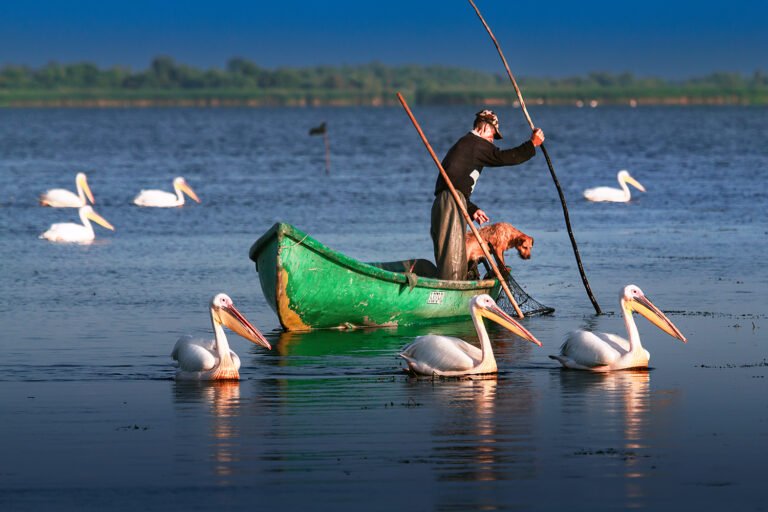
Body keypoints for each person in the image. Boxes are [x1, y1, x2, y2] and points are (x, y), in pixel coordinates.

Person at [431, 109, 545, 280]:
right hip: (451, 203)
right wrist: (531, 145)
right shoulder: (475, 143)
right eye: (493, 134)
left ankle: (452, 284)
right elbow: (503, 158)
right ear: (484, 127)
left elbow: (453, 183)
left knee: (449, 253)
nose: (492, 140)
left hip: (447, 202)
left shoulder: (467, 145)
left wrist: (471, 209)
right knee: (454, 255)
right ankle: (453, 291)